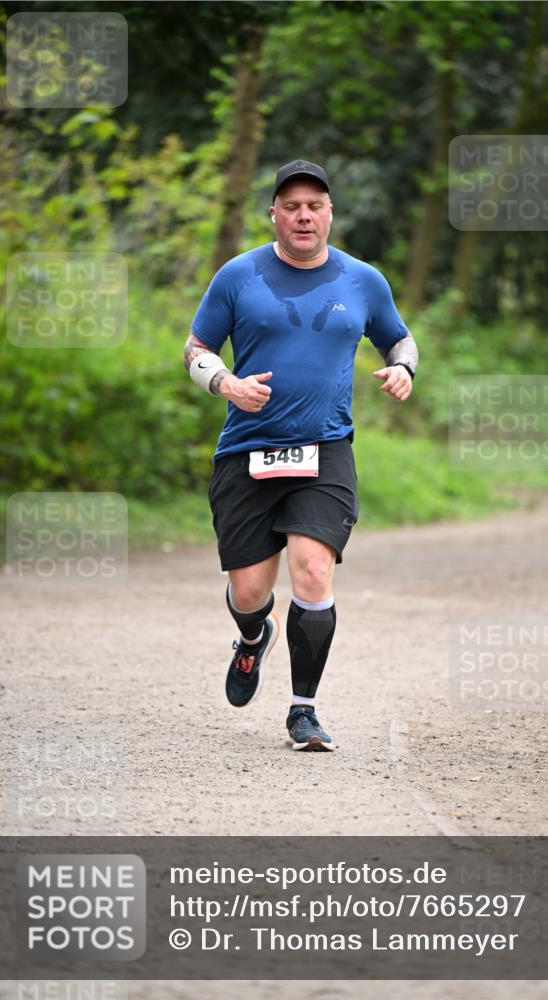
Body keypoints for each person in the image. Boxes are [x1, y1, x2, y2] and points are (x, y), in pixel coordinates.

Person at [184, 159, 418, 751]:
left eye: (315, 205)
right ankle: (252, 636)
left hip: (325, 450)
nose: (304, 215)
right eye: (291, 206)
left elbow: (399, 335)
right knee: (249, 592)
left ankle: (303, 710)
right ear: (275, 214)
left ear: (330, 213)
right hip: (247, 452)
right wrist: (225, 384)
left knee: (313, 570)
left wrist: (403, 367)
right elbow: (196, 347)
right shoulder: (239, 276)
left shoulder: (363, 280)